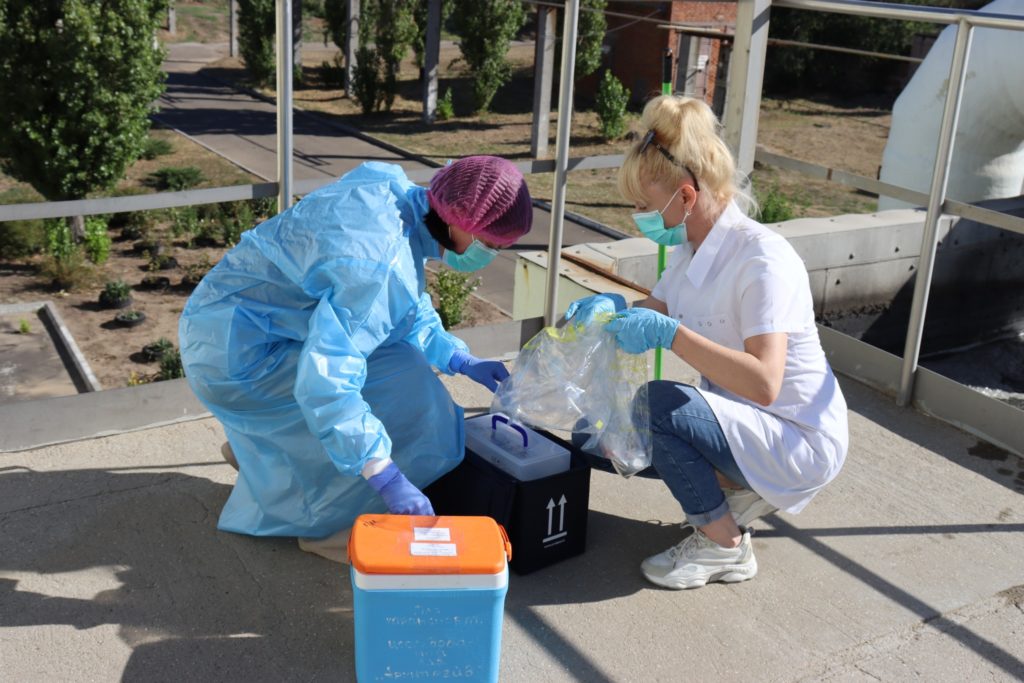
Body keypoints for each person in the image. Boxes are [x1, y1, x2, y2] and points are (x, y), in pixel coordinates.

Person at [178, 156, 533, 561]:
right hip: (238, 363)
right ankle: (331, 524)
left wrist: (456, 357)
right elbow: (326, 385)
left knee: (390, 364)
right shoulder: (381, 266)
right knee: (415, 399)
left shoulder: (387, 188)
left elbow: (395, 305)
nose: (491, 254)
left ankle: (259, 457)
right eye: (490, 244)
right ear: (457, 224)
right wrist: (385, 476)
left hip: (221, 325)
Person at [568, 95, 849, 590]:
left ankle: (725, 546)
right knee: (592, 437)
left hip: (795, 435)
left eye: (644, 207)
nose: (638, 216)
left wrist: (674, 337)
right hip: (745, 422)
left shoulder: (762, 260)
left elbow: (765, 383)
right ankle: (733, 492)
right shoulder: (688, 249)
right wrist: (610, 312)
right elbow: (653, 312)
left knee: (658, 406)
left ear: (686, 197)